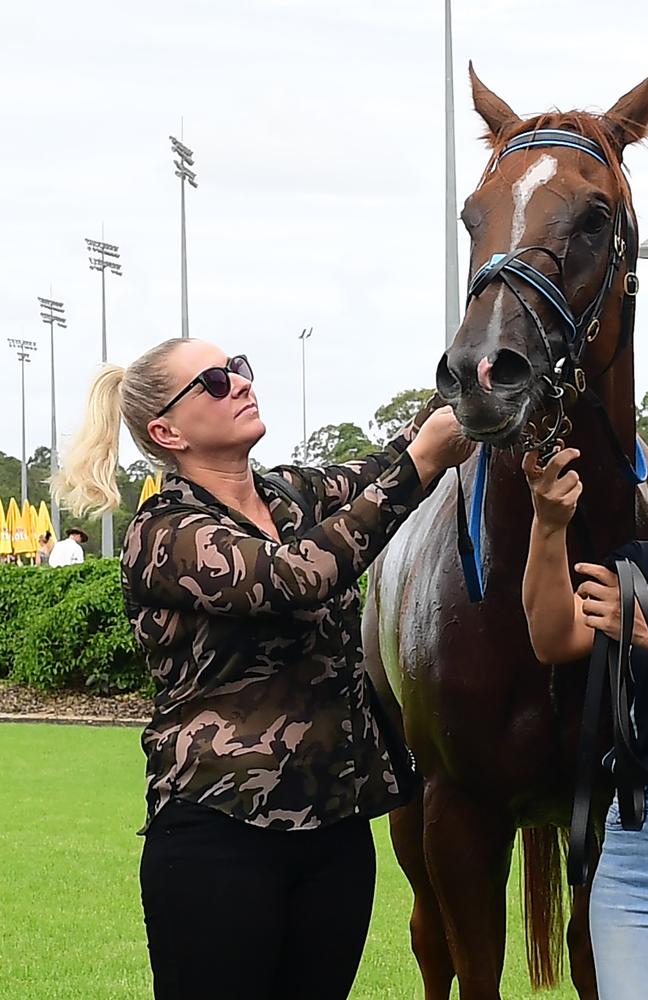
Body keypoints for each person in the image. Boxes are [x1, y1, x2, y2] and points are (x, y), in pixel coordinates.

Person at [53, 337, 475, 1000]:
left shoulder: (291, 494)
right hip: (220, 838)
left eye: (239, 368)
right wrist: (420, 465)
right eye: (215, 382)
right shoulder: (165, 533)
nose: (241, 383)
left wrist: (478, 357)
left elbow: (391, 459)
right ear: (167, 430)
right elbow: (295, 577)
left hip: (334, 834)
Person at [521, 446, 648, 1000]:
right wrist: (549, 528)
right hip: (633, 850)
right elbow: (554, 637)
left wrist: (646, 638)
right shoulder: (640, 565)